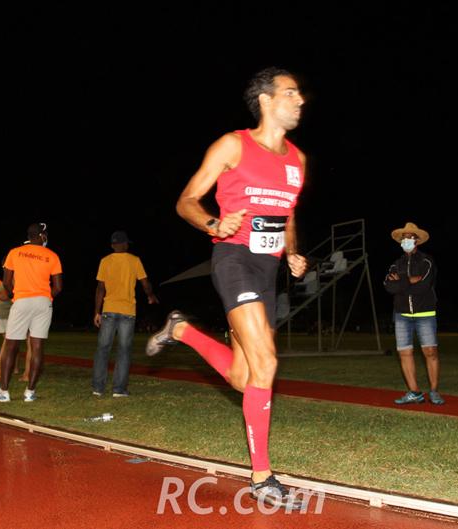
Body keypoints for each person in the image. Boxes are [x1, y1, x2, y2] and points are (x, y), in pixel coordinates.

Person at [146, 68, 309, 510]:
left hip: (268, 271)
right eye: (290, 93)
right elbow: (186, 200)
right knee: (268, 362)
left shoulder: (298, 159)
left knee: (244, 376)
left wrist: (292, 253)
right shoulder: (232, 145)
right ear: (265, 100)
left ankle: (182, 331)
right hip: (233, 259)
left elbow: (287, 214)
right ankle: (263, 479)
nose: (300, 100)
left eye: (299, 94)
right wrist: (216, 224)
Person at [0, 223, 62, 403]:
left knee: (11, 345)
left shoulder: (14, 253)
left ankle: (4, 391)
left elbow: (7, 282)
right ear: (42, 236)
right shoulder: (52, 255)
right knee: (37, 346)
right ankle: (29, 391)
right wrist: (46, 297)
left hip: (21, 300)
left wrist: (17, 295)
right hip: (43, 302)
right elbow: (58, 287)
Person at [383, 222, 443, 406]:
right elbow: (388, 286)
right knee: (404, 353)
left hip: (425, 312)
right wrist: (409, 281)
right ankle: (415, 392)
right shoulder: (396, 264)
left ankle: (434, 391)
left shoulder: (426, 261)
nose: (406, 240)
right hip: (402, 314)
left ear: (417, 240)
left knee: (430, 352)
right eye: (404, 237)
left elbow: (425, 284)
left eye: (410, 237)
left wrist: (401, 283)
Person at [92, 231, 158, 397]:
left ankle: (98, 388)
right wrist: (150, 295)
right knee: (124, 350)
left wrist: (96, 311)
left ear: (113, 245)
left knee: (102, 349)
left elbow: (100, 288)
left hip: (108, 310)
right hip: (127, 312)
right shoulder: (134, 261)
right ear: (125, 244)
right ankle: (119, 389)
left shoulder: (105, 261)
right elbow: (145, 284)